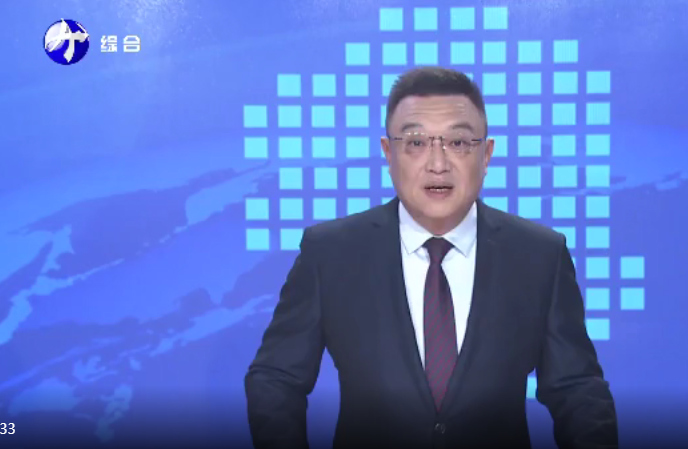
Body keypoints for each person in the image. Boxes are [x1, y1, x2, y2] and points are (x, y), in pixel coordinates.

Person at [245, 66, 618, 449]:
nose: (438, 164)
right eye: (416, 142)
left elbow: (577, 389)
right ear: (388, 153)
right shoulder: (330, 253)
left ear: (486, 154)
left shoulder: (539, 255)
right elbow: (275, 378)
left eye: (458, 142)